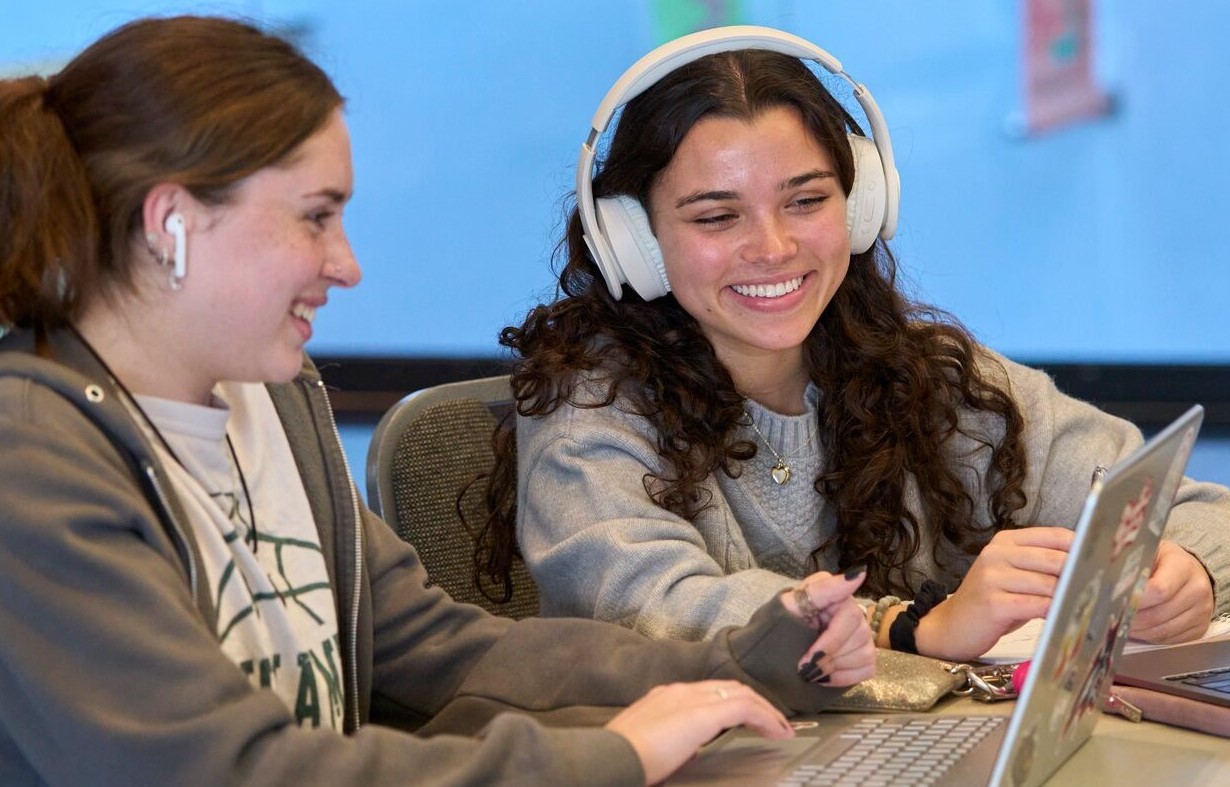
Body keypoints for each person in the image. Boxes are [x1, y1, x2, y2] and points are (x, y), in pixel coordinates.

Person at [0, 16, 878, 786]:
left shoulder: (271, 406)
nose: (346, 264)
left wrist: (736, 665)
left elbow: (443, 652)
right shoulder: (31, 456)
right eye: (314, 216)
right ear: (172, 225)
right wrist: (607, 756)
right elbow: (223, 770)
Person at [477, 26, 1230, 663]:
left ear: (862, 204)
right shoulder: (588, 413)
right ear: (634, 241)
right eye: (716, 217)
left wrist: (1182, 568)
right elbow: (663, 605)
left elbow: (1185, 506)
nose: (772, 248)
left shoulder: (928, 377)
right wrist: (912, 628)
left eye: (807, 201)